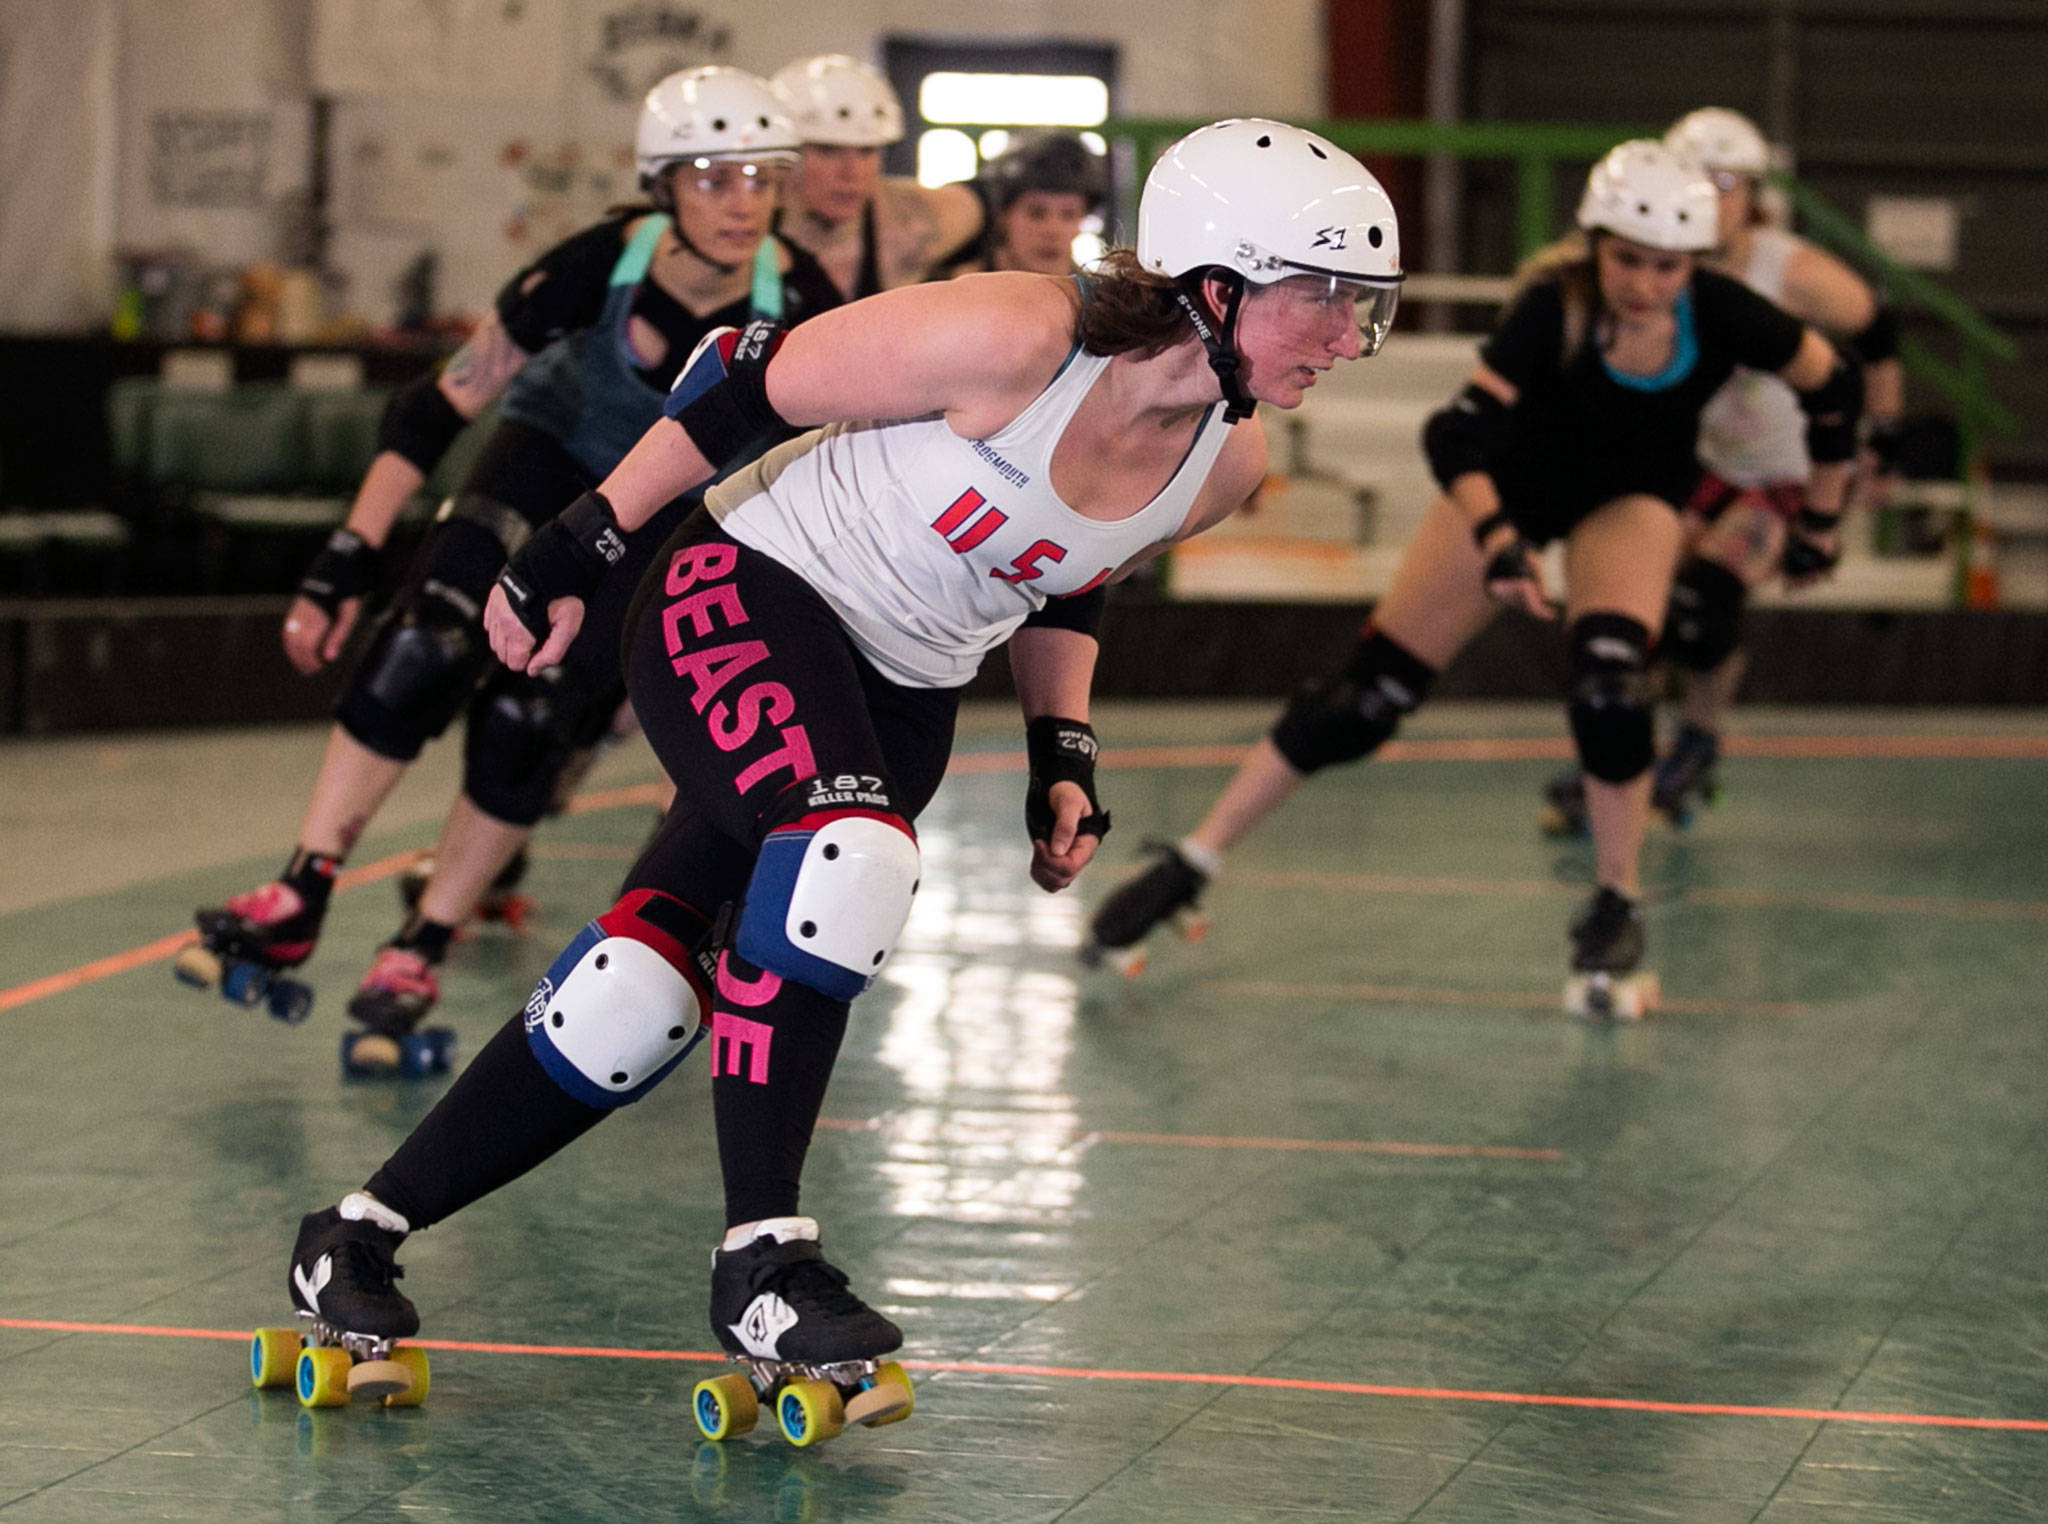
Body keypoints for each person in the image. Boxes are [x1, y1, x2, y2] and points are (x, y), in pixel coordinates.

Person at [275, 119, 1403, 1428]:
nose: (1342, 336)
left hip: (903, 689)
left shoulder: (1231, 459)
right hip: (747, 591)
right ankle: (765, 1260)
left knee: (639, 990)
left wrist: (1063, 748)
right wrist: (582, 542)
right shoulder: (1024, 333)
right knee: (847, 860)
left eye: (1360, 309)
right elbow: (745, 378)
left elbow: (1070, 577)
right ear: (1215, 280)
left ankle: (353, 1234)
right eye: (1319, 296)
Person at [1085, 140, 1861, 1019]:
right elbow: (1457, 437)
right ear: (1594, 246)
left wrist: (1822, 520)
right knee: (1364, 702)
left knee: (1611, 685)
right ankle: (1194, 861)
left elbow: (1835, 391)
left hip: (1633, 501)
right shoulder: (1553, 306)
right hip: (1508, 489)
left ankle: (1616, 898)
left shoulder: (1724, 312)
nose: (1645, 284)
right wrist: (1499, 540)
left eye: (1667, 267)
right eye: (1627, 261)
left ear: (1698, 261)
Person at [178, 68, 840, 1074]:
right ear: (663, 186)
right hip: (542, 459)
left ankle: (420, 946)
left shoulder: (801, 301)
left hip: (651, 516)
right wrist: (345, 557)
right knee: (418, 650)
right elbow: (439, 404)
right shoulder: (593, 266)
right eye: (710, 176)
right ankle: (302, 888)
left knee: (531, 721)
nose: (740, 199)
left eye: (758, 176)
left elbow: (824, 468)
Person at [1541, 108, 1905, 833]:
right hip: (1694, 464)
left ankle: (1697, 745)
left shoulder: (1785, 267)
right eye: (1700, 179)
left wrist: (1882, 444)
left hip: (1782, 470)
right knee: (1632, 609)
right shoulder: (1652, 263)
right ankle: (1619, 757)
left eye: (1730, 181)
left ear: (1755, 193)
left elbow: (1877, 327)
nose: (1716, 193)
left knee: (1706, 600)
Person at [768, 54, 989, 300]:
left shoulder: (909, 222)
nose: (851, 172)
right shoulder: (742, 226)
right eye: (828, 150)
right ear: (783, 158)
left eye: (867, 151)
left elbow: (1009, 198)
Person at [935, 131, 1107, 278]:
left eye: (1068, 215)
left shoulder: (1096, 304)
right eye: (1036, 213)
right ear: (1003, 217)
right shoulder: (950, 291)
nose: (1053, 230)